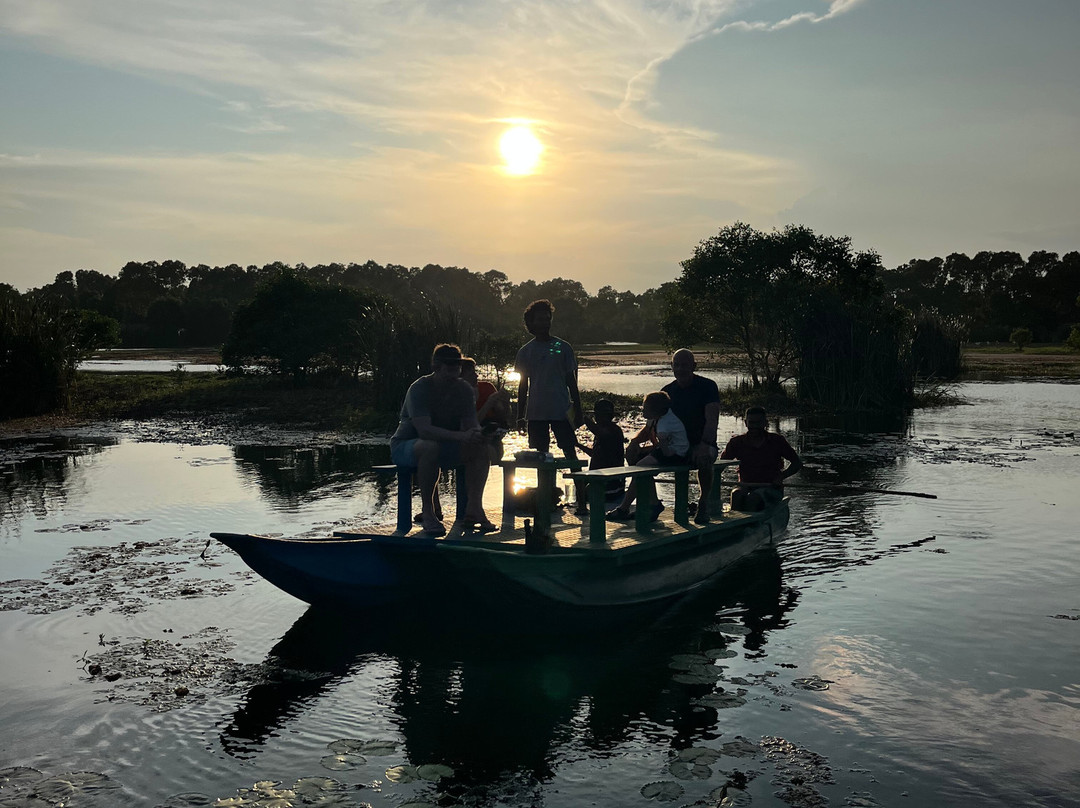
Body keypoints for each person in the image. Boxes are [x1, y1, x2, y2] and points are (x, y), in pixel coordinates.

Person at [389, 344, 495, 535]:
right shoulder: (419, 389)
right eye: (450, 365)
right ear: (436, 366)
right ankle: (429, 512)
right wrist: (462, 436)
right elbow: (424, 430)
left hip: (445, 445)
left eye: (457, 365)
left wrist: (480, 434)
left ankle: (474, 509)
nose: (455, 370)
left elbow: (471, 423)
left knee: (480, 448)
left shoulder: (464, 389)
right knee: (429, 446)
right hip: (407, 445)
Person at [515, 299, 584, 458]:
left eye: (547, 319)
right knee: (540, 456)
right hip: (536, 412)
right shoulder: (525, 352)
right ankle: (545, 484)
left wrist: (578, 411)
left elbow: (571, 382)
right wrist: (520, 416)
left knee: (569, 450)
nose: (545, 323)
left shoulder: (564, 347)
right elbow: (523, 385)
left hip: (561, 410)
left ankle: (580, 483)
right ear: (531, 323)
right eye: (540, 319)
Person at [605, 391, 688, 523]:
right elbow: (650, 434)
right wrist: (636, 445)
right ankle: (649, 504)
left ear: (655, 410)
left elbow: (666, 451)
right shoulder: (657, 417)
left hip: (675, 454)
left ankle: (632, 506)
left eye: (645, 408)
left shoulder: (665, 425)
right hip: (667, 448)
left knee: (641, 467)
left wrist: (652, 452)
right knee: (640, 463)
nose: (642, 411)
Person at [662, 349, 721, 524]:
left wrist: (704, 443)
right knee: (639, 458)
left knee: (704, 457)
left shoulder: (708, 386)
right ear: (672, 366)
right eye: (677, 365)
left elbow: (712, 420)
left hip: (703, 442)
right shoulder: (667, 391)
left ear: (694, 366)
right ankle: (650, 504)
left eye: (685, 365)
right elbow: (654, 421)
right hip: (677, 445)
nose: (680, 369)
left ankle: (703, 502)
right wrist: (636, 442)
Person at [719, 406, 803, 511]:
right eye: (752, 423)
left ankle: (752, 524)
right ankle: (735, 524)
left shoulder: (777, 441)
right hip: (745, 486)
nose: (755, 427)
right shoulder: (736, 442)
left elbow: (797, 463)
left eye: (758, 423)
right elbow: (720, 465)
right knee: (736, 495)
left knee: (753, 498)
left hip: (771, 488)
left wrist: (781, 477)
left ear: (765, 423)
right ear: (746, 423)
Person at [574, 398, 626, 509]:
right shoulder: (601, 433)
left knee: (585, 490)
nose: (598, 418)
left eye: (601, 415)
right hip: (599, 479)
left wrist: (583, 418)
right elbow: (595, 454)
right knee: (580, 486)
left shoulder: (614, 430)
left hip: (612, 485)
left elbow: (600, 433)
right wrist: (577, 445)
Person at [460, 356, 511, 463]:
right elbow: (472, 423)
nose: (476, 376)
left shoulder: (487, 387)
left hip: (492, 435)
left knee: (490, 450)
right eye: (471, 374)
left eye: (475, 372)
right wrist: (488, 403)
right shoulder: (459, 394)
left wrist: (506, 402)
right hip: (472, 437)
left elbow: (503, 415)